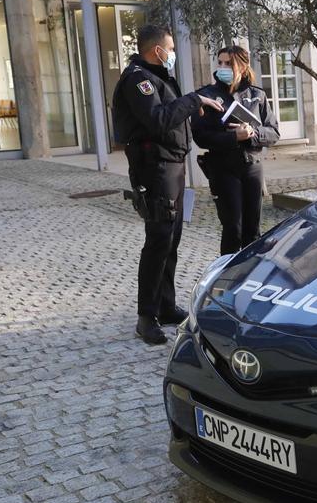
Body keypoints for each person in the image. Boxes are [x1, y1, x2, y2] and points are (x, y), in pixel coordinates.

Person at [113, 24, 222, 345]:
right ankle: (146, 317)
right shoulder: (139, 80)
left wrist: (191, 103)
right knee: (158, 239)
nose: (173, 53)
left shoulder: (156, 75)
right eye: (171, 48)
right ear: (156, 50)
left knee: (171, 238)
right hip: (154, 169)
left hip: (171, 167)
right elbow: (158, 119)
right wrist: (192, 100)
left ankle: (165, 305)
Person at [192, 46, 280, 255]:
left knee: (253, 229)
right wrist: (233, 137)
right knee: (233, 228)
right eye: (220, 62)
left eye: (228, 63)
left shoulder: (257, 95)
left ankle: (250, 274)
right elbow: (201, 137)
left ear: (243, 65)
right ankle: (226, 277)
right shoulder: (207, 95)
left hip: (252, 166)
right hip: (223, 168)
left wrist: (253, 133)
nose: (222, 67)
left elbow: (274, 132)